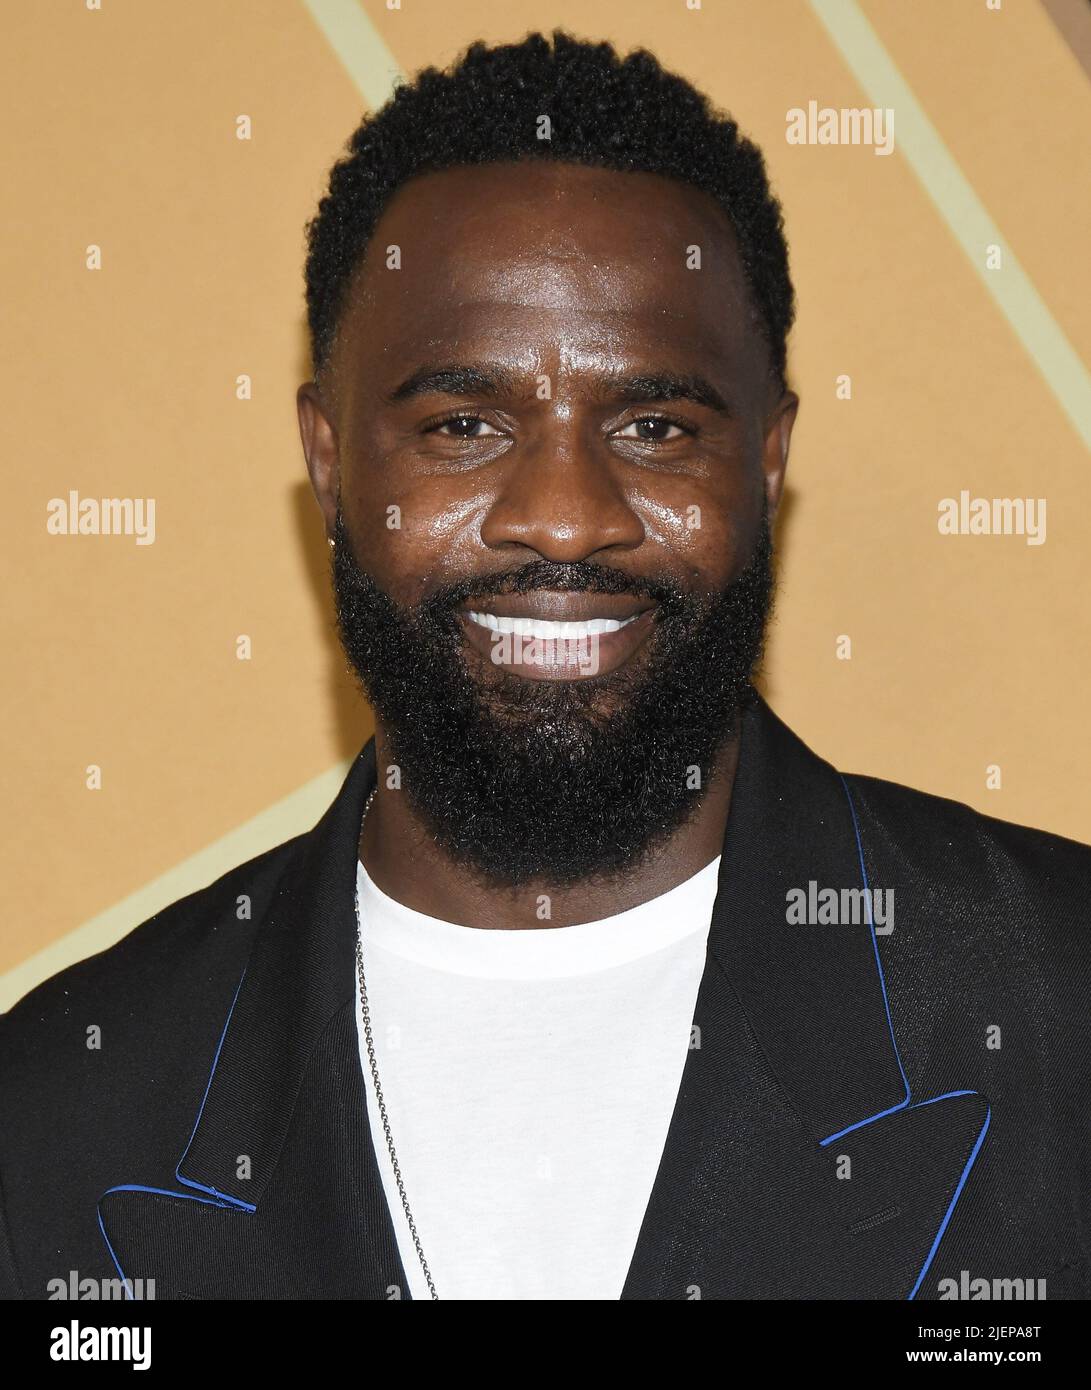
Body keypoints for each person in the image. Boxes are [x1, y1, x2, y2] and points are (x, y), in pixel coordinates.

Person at [1, 30, 1088, 1303]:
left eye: (654, 426)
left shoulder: (1057, 1008)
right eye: (463, 425)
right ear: (329, 460)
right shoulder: (61, 1117)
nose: (564, 518)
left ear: (766, 461)